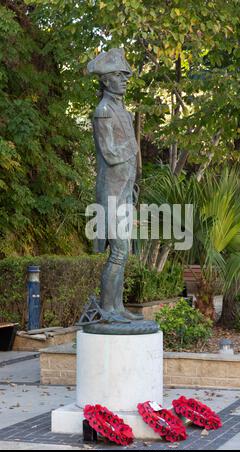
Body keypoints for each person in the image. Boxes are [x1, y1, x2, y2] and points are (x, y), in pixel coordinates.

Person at [87, 48, 143, 322]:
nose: (124, 80)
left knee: (124, 252)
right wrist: (132, 147)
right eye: (119, 75)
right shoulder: (103, 111)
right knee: (118, 251)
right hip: (111, 194)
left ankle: (117, 308)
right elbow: (109, 153)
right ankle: (108, 310)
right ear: (106, 80)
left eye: (125, 76)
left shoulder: (122, 110)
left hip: (123, 192)